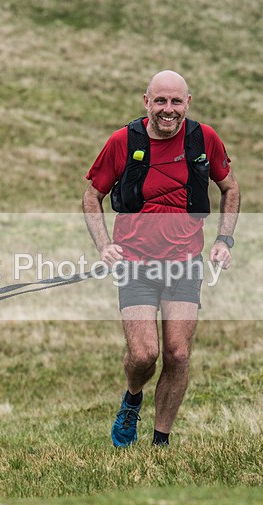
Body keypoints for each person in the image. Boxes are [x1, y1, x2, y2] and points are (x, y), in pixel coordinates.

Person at [82, 70, 241, 448]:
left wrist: (224, 240)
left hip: (185, 264)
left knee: (178, 353)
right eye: (160, 101)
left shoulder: (204, 139)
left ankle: (160, 442)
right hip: (135, 265)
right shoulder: (123, 142)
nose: (168, 110)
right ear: (146, 102)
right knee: (143, 355)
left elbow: (230, 188)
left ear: (187, 103)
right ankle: (132, 399)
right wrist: (104, 246)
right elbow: (92, 197)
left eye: (175, 101)